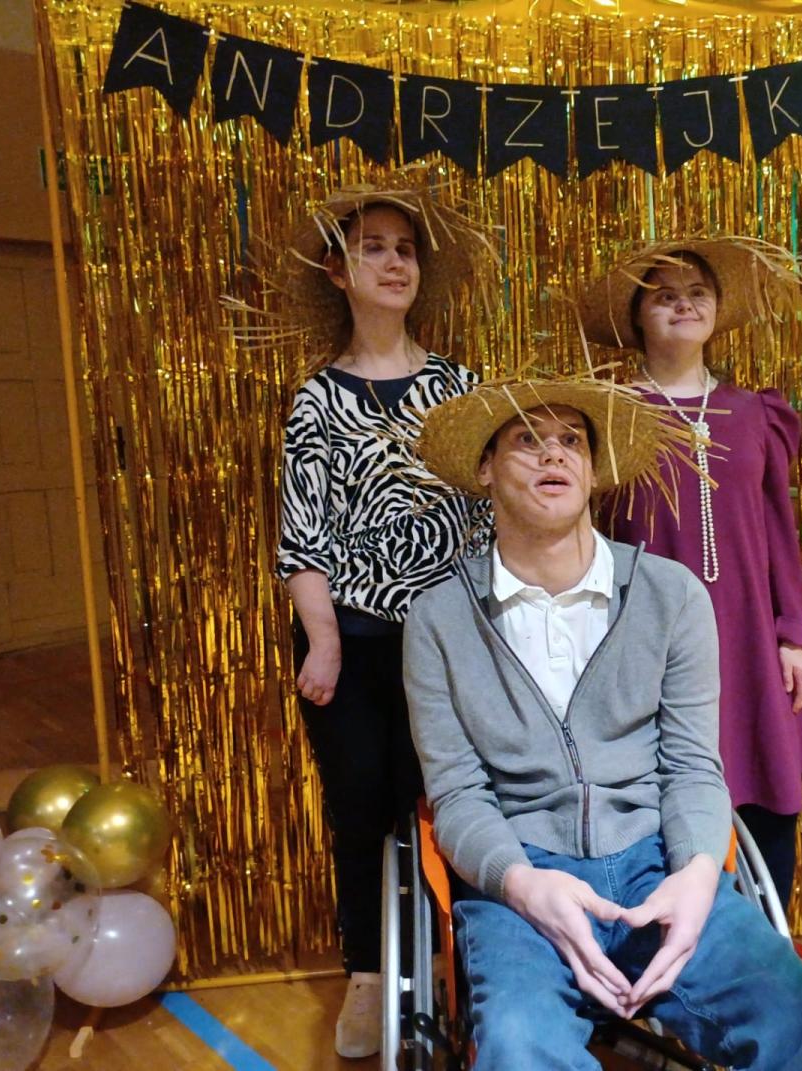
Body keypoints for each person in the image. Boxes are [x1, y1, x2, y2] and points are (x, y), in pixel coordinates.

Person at [405, 376, 802, 1070]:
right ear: (486, 467)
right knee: (519, 1049)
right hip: (523, 880)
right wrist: (522, 885)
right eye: (527, 439)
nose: (553, 453)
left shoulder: (670, 595)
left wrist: (698, 874)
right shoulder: (438, 619)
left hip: (657, 863)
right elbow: (458, 794)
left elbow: (693, 766)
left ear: (592, 471)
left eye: (571, 440)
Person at [274, 185, 495, 1058]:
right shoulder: (316, 400)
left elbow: (489, 522)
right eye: (373, 246)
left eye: (405, 248)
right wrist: (325, 639)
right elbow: (303, 537)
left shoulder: (459, 389)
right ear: (339, 272)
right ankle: (368, 971)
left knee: (459, 803)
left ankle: (471, 962)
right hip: (356, 645)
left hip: (450, 642)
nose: (394, 261)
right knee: (362, 807)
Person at [579, 239, 802, 910]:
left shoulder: (754, 413)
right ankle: (680, 934)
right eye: (664, 294)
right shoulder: (609, 413)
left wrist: (791, 634)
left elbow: (778, 529)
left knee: (763, 779)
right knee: (665, 790)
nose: (683, 304)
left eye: (697, 292)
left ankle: (766, 936)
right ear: (636, 315)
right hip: (646, 638)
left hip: (746, 635)